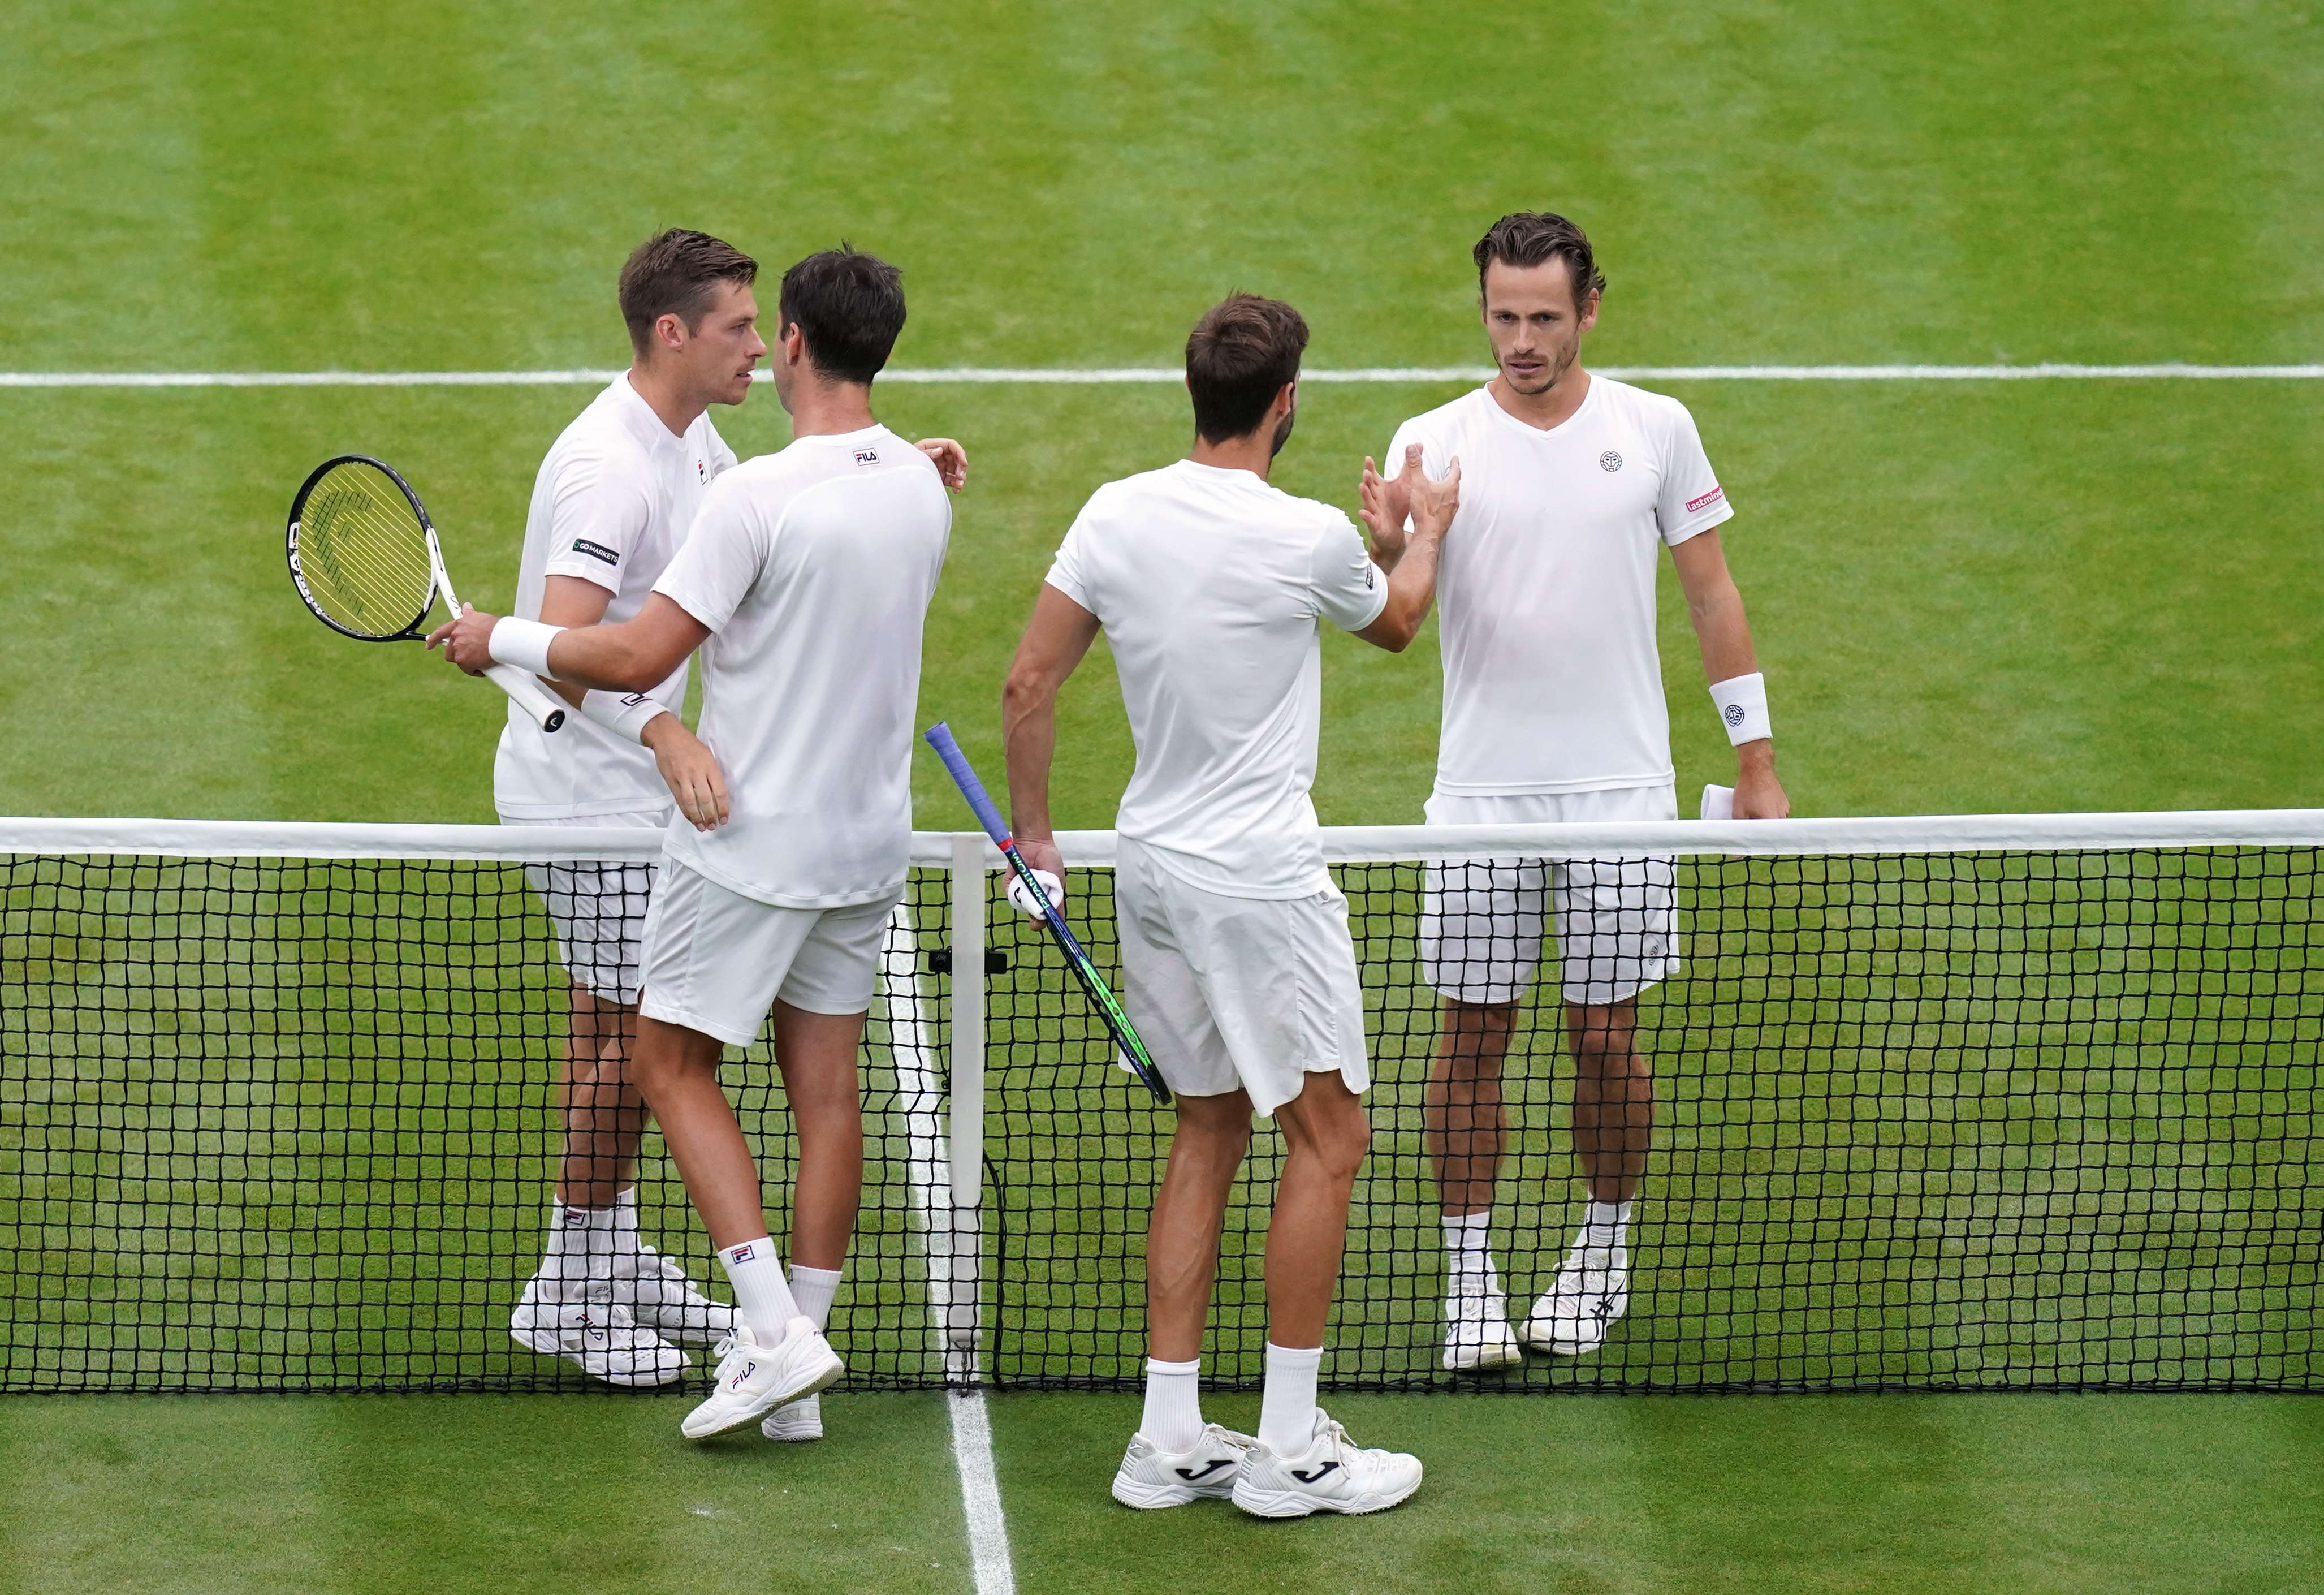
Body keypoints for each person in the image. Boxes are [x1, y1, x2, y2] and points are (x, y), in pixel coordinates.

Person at [433, 245, 957, 1442]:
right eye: (727, 327)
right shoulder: (607, 476)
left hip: (689, 801)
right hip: (594, 794)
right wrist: (656, 721)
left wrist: (508, 642)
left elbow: (686, 598)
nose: (749, 345)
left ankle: (618, 1272)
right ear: (672, 335)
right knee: (629, 1047)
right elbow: (576, 646)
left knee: (624, 1043)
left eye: (757, 327)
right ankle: (583, 1284)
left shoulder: (717, 457)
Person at [1002, 294, 1458, 1518]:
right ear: (1285, 403)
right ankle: (1295, 1448)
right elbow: (1401, 622)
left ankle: (1166, 1440)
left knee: (1209, 1127)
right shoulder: (1306, 537)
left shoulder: (1113, 512)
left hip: (1146, 866)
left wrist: (1037, 837)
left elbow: (1027, 680)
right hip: (1256, 884)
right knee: (1332, 1140)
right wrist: (1418, 531)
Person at [1375, 211, 1790, 1372]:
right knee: (1474, 1034)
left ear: (1589, 310)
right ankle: (1471, 1280)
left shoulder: (1656, 429)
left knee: (1604, 1038)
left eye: (1543, 317)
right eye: (1503, 315)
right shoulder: (1432, 441)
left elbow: (1712, 595)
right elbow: (1394, 611)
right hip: (1481, 796)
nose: (1520, 338)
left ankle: (1602, 1250)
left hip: (1620, 792)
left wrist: (1754, 760)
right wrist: (1387, 544)